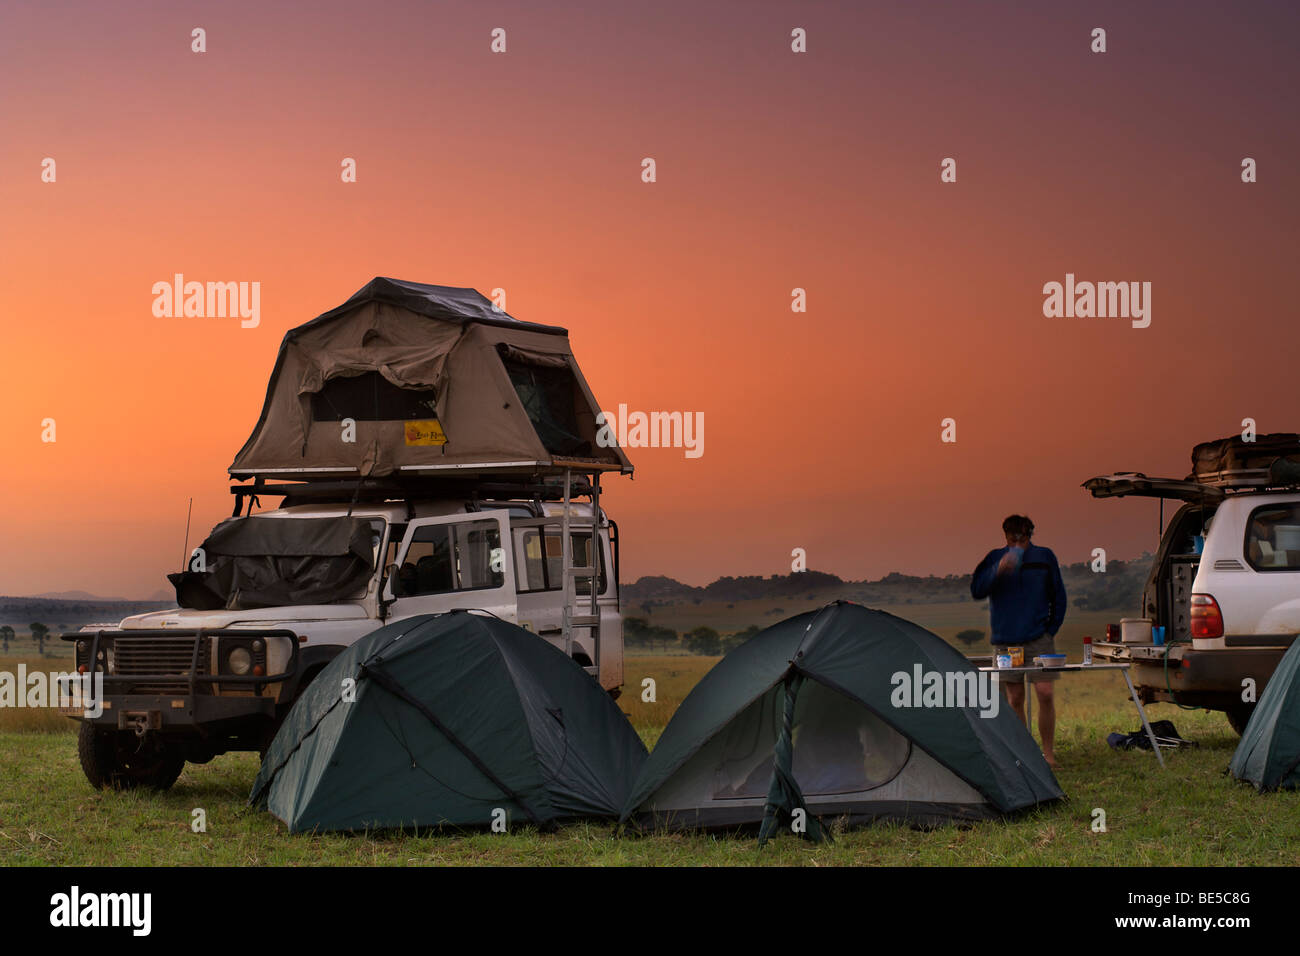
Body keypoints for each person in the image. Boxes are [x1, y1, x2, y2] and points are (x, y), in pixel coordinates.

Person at [971, 514, 1067, 769]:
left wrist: (1050, 631)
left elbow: (1059, 596)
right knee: (1014, 697)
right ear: (1005, 537)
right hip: (1006, 642)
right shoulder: (994, 558)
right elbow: (977, 590)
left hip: (1038, 638)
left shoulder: (1045, 558)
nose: (1018, 544)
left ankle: (1048, 753)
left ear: (1030, 535)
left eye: (1022, 539)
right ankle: (1025, 754)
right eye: (1013, 539)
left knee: (1045, 693)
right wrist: (997, 570)